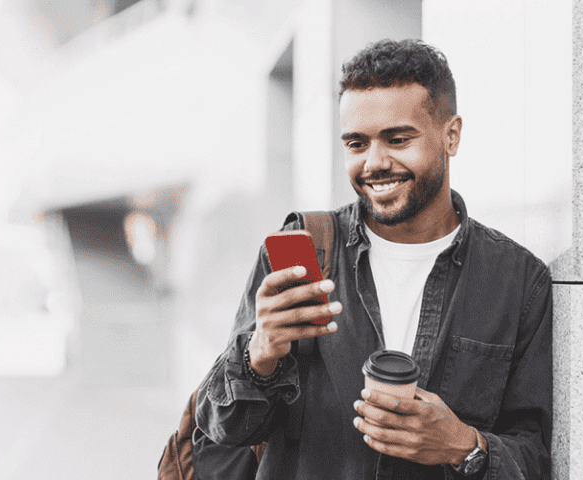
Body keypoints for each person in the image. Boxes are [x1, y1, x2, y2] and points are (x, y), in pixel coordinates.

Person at [195, 38, 553, 479]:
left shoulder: (516, 281)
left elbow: (535, 457)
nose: (374, 163)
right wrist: (261, 352)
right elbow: (222, 428)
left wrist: (463, 445)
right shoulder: (302, 249)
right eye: (356, 144)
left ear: (451, 135)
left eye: (398, 139)